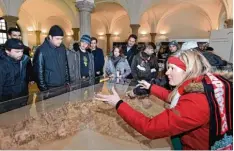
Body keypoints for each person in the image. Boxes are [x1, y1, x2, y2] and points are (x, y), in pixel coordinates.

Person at [95, 50, 233, 150]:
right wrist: (151, 87)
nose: (166, 73)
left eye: (172, 68)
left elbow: (150, 128)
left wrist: (119, 104)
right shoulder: (205, 83)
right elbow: (174, 97)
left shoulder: (197, 101)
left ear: (188, 70)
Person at [33, 25, 69, 91]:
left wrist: (67, 81)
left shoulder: (62, 47)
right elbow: (39, 73)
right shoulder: (41, 50)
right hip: (50, 87)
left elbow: (65, 65)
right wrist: (44, 90)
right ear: (50, 37)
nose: (60, 41)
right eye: (57, 39)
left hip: (63, 85)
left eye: (61, 39)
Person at [0, 39, 32, 112]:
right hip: (7, 104)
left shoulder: (23, 60)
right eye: (17, 51)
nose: (20, 54)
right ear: (7, 51)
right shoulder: (2, 65)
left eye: (21, 51)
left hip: (22, 99)